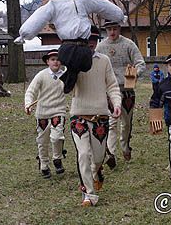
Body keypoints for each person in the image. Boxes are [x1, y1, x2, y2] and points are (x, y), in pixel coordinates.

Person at [15, 0, 124, 93]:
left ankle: (69, 78)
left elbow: (103, 6)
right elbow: (40, 15)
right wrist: (25, 33)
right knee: (74, 63)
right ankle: (68, 78)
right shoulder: (56, 4)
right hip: (68, 46)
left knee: (84, 65)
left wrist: (119, 16)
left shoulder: (86, 0)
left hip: (84, 47)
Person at [70, 25, 122, 207]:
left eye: (93, 40)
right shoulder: (73, 61)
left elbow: (113, 86)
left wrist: (116, 104)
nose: (91, 43)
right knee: (83, 154)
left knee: (98, 158)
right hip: (79, 116)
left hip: (100, 116)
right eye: (87, 40)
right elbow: (64, 85)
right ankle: (88, 194)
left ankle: (95, 172)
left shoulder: (104, 60)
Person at [96, 20, 145, 169]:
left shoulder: (129, 44)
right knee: (111, 124)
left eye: (115, 29)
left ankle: (125, 146)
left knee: (126, 123)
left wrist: (133, 75)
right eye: (109, 29)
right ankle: (111, 153)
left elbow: (140, 63)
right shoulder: (101, 46)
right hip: (109, 91)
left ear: (119, 29)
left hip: (127, 90)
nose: (112, 32)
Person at [24, 49, 66, 178]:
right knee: (42, 141)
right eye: (52, 59)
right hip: (42, 113)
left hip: (58, 111)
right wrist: (28, 104)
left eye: (58, 59)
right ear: (47, 61)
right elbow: (31, 91)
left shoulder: (65, 74)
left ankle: (57, 159)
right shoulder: (41, 75)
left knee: (57, 137)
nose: (56, 62)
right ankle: (44, 164)